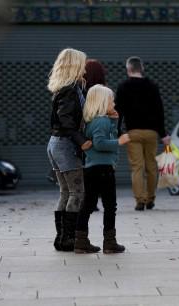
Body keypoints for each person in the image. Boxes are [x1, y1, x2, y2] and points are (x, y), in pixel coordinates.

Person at [75, 84, 130, 253]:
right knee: (109, 205)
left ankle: (81, 241)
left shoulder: (96, 120)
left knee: (89, 204)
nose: (114, 104)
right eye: (111, 101)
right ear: (102, 102)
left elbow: (105, 134)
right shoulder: (101, 121)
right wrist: (120, 142)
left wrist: (114, 120)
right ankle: (109, 242)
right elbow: (100, 143)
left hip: (93, 168)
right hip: (103, 169)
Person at [47, 48, 91, 252]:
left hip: (56, 144)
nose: (85, 66)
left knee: (65, 192)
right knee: (77, 192)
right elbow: (66, 120)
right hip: (64, 144)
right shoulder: (70, 89)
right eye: (82, 63)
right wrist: (81, 140)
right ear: (75, 64)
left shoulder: (65, 87)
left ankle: (62, 239)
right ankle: (68, 239)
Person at [115, 56, 170, 211]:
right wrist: (163, 134)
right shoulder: (152, 86)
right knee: (152, 166)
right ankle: (150, 198)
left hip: (133, 132)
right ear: (142, 68)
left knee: (137, 167)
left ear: (128, 69)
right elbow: (160, 112)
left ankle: (140, 200)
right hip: (152, 132)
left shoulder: (123, 87)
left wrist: (119, 132)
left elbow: (118, 111)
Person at [84, 59, 107, 212]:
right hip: (101, 133)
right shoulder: (105, 92)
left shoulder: (81, 91)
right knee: (101, 167)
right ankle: (100, 200)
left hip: (84, 134)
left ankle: (88, 200)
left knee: (85, 167)